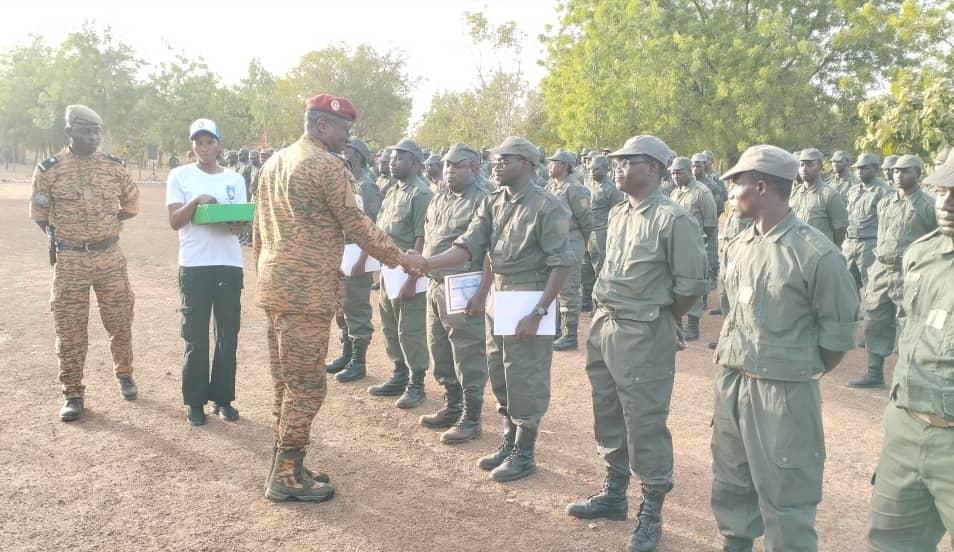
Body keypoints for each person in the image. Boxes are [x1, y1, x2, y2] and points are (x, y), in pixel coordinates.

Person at [252, 93, 426, 502]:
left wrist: (264, 273)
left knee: (285, 383)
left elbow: (258, 227)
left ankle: (286, 463)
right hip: (306, 293)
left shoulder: (276, 161)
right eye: (345, 130)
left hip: (275, 287)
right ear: (323, 125)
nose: (347, 140)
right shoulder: (327, 166)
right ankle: (287, 476)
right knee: (308, 386)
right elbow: (357, 224)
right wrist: (402, 259)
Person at [711, 145, 859, 552]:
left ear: (760, 186)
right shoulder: (739, 246)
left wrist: (789, 368)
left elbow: (836, 339)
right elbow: (731, 312)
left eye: (736, 184)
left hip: (783, 393)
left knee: (787, 499)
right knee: (732, 482)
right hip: (732, 382)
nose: (731, 193)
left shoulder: (815, 254)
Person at [566, 136, 708, 552]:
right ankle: (614, 494)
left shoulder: (674, 219)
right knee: (607, 413)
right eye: (619, 162)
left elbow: (690, 288)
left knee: (644, 421)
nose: (620, 167)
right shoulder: (619, 213)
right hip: (606, 325)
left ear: (654, 169)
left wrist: (665, 317)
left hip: (644, 332)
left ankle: (651, 511)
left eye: (629, 162)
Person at [425, 136, 572, 482]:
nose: (497, 165)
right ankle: (509, 442)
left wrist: (538, 312)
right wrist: (427, 262)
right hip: (501, 297)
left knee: (527, 376)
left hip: (530, 294)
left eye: (505, 160)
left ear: (526, 163)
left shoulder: (548, 206)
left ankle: (525, 452)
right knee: (500, 371)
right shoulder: (494, 202)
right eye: (495, 160)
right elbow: (471, 245)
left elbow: (562, 264)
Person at [865, 153, 954, 551]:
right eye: (942, 190)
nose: (946, 203)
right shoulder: (922, 254)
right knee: (890, 542)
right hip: (908, 424)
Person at [29, 104, 139, 422]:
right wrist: (63, 238)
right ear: (69, 132)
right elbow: (40, 216)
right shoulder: (49, 169)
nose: (93, 137)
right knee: (70, 330)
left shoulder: (114, 167)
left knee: (120, 322)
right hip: (71, 260)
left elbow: (131, 204)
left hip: (110, 257)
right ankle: (73, 393)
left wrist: (108, 226)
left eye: (97, 131)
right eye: (86, 131)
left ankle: (125, 374)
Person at [165, 119, 246, 426]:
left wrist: (237, 223)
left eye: (209, 142)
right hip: (195, 264)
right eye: (198, 142)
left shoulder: (234, 178)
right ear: (192, 146)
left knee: (228, 335)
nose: (204, 148)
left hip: (227, 262)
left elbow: (239, 222)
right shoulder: (180, 176)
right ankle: (195, 401)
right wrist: (197, 201)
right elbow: (175, 221)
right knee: (195, 336)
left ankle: (223, 398)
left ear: (218, 145)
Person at [419, 143, 491, 444]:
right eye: (446, 164)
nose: (448, 170)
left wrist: (482, 294)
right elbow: (431, 236)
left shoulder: (483, 200)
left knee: (468, 355)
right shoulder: (439, 198)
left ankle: (471, 418)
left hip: (463, 288)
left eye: (456, 165)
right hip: (435, 285)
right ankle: (452, 404)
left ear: (473, 168)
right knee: (440, 350)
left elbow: (487, 252)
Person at [852, 154, 938, 388]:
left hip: (909, 273)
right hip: (881, 268)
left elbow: (937, 240)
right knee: (874, 319)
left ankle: (910, 377)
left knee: (909, 323)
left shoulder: (929, 205)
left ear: (918, 174)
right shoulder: (885, 203)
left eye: (905, 171)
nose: (898, 175)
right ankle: (874, 374)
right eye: (896, 171)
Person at [367, 139, 433, 408]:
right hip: (389, 270)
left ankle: (417, 383)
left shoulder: (421, 194)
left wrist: (413, 277)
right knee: (390, 324)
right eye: (392, 157)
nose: (392, 162)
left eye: (399, 158)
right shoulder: (393, 190)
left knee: (411, 329)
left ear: (416, 163)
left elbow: (421, 238)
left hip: (409, 271)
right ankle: (399, 373)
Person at [325, 136, 383, 383]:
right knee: (341, 307)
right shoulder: (341, 181)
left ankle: (358, 361)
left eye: (346, 150)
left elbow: (371, 226)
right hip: (340, 254)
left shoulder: (366, 186)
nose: (340, 153)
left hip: (358, 255)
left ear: (357, 155)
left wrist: (363, 259)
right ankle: (347, 354)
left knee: (357, 308)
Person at [545, 148, 593, 351]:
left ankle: (570, 334)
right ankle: (554, 330)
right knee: (553, 289)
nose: (549, 166)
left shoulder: (575, 188)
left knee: (568, 290)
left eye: (554, 162)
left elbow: (586, 222)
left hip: (570, 243)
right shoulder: (552, 185)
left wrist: (579, 244)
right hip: (553, 244)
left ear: (564, 166)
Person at [669, 156, 717, 341]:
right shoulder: (675, 193)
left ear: (689, 171)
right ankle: (677, 322)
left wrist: (700, 242)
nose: (675, 176)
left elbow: (710, 222)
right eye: (673, 173)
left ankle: (693, 325)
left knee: (693, 283)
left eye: (679, 172)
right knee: (676, 283)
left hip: (695, 244)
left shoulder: (702, 192)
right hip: (676, 244)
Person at [841, 154, 890, 298]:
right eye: (858, 168)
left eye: (864, 168)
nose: (859, 172)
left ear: (875, 169)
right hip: (849, 243)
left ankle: (872, 319)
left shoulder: (885, 192)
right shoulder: (853, 190)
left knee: (872, 286)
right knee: (847, 285)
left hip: (870, 244)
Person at [581, 155, 624, 312]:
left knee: (600, 270)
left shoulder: (612, 189)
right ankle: (586, 301)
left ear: (606, 170)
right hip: (587, 232)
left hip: (602, 233)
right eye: (590, 169)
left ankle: (600, 305)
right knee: (585, 269)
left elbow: (619, 213)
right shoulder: (588, 185)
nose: (592, 172)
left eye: (596, 169)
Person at [791, 148, 849, 246]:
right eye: (801, 165)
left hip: (819, 254)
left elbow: (840, 230)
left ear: (820, 166)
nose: (804, 169)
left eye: (810, 165)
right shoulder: (793, 193)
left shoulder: (829, 194)